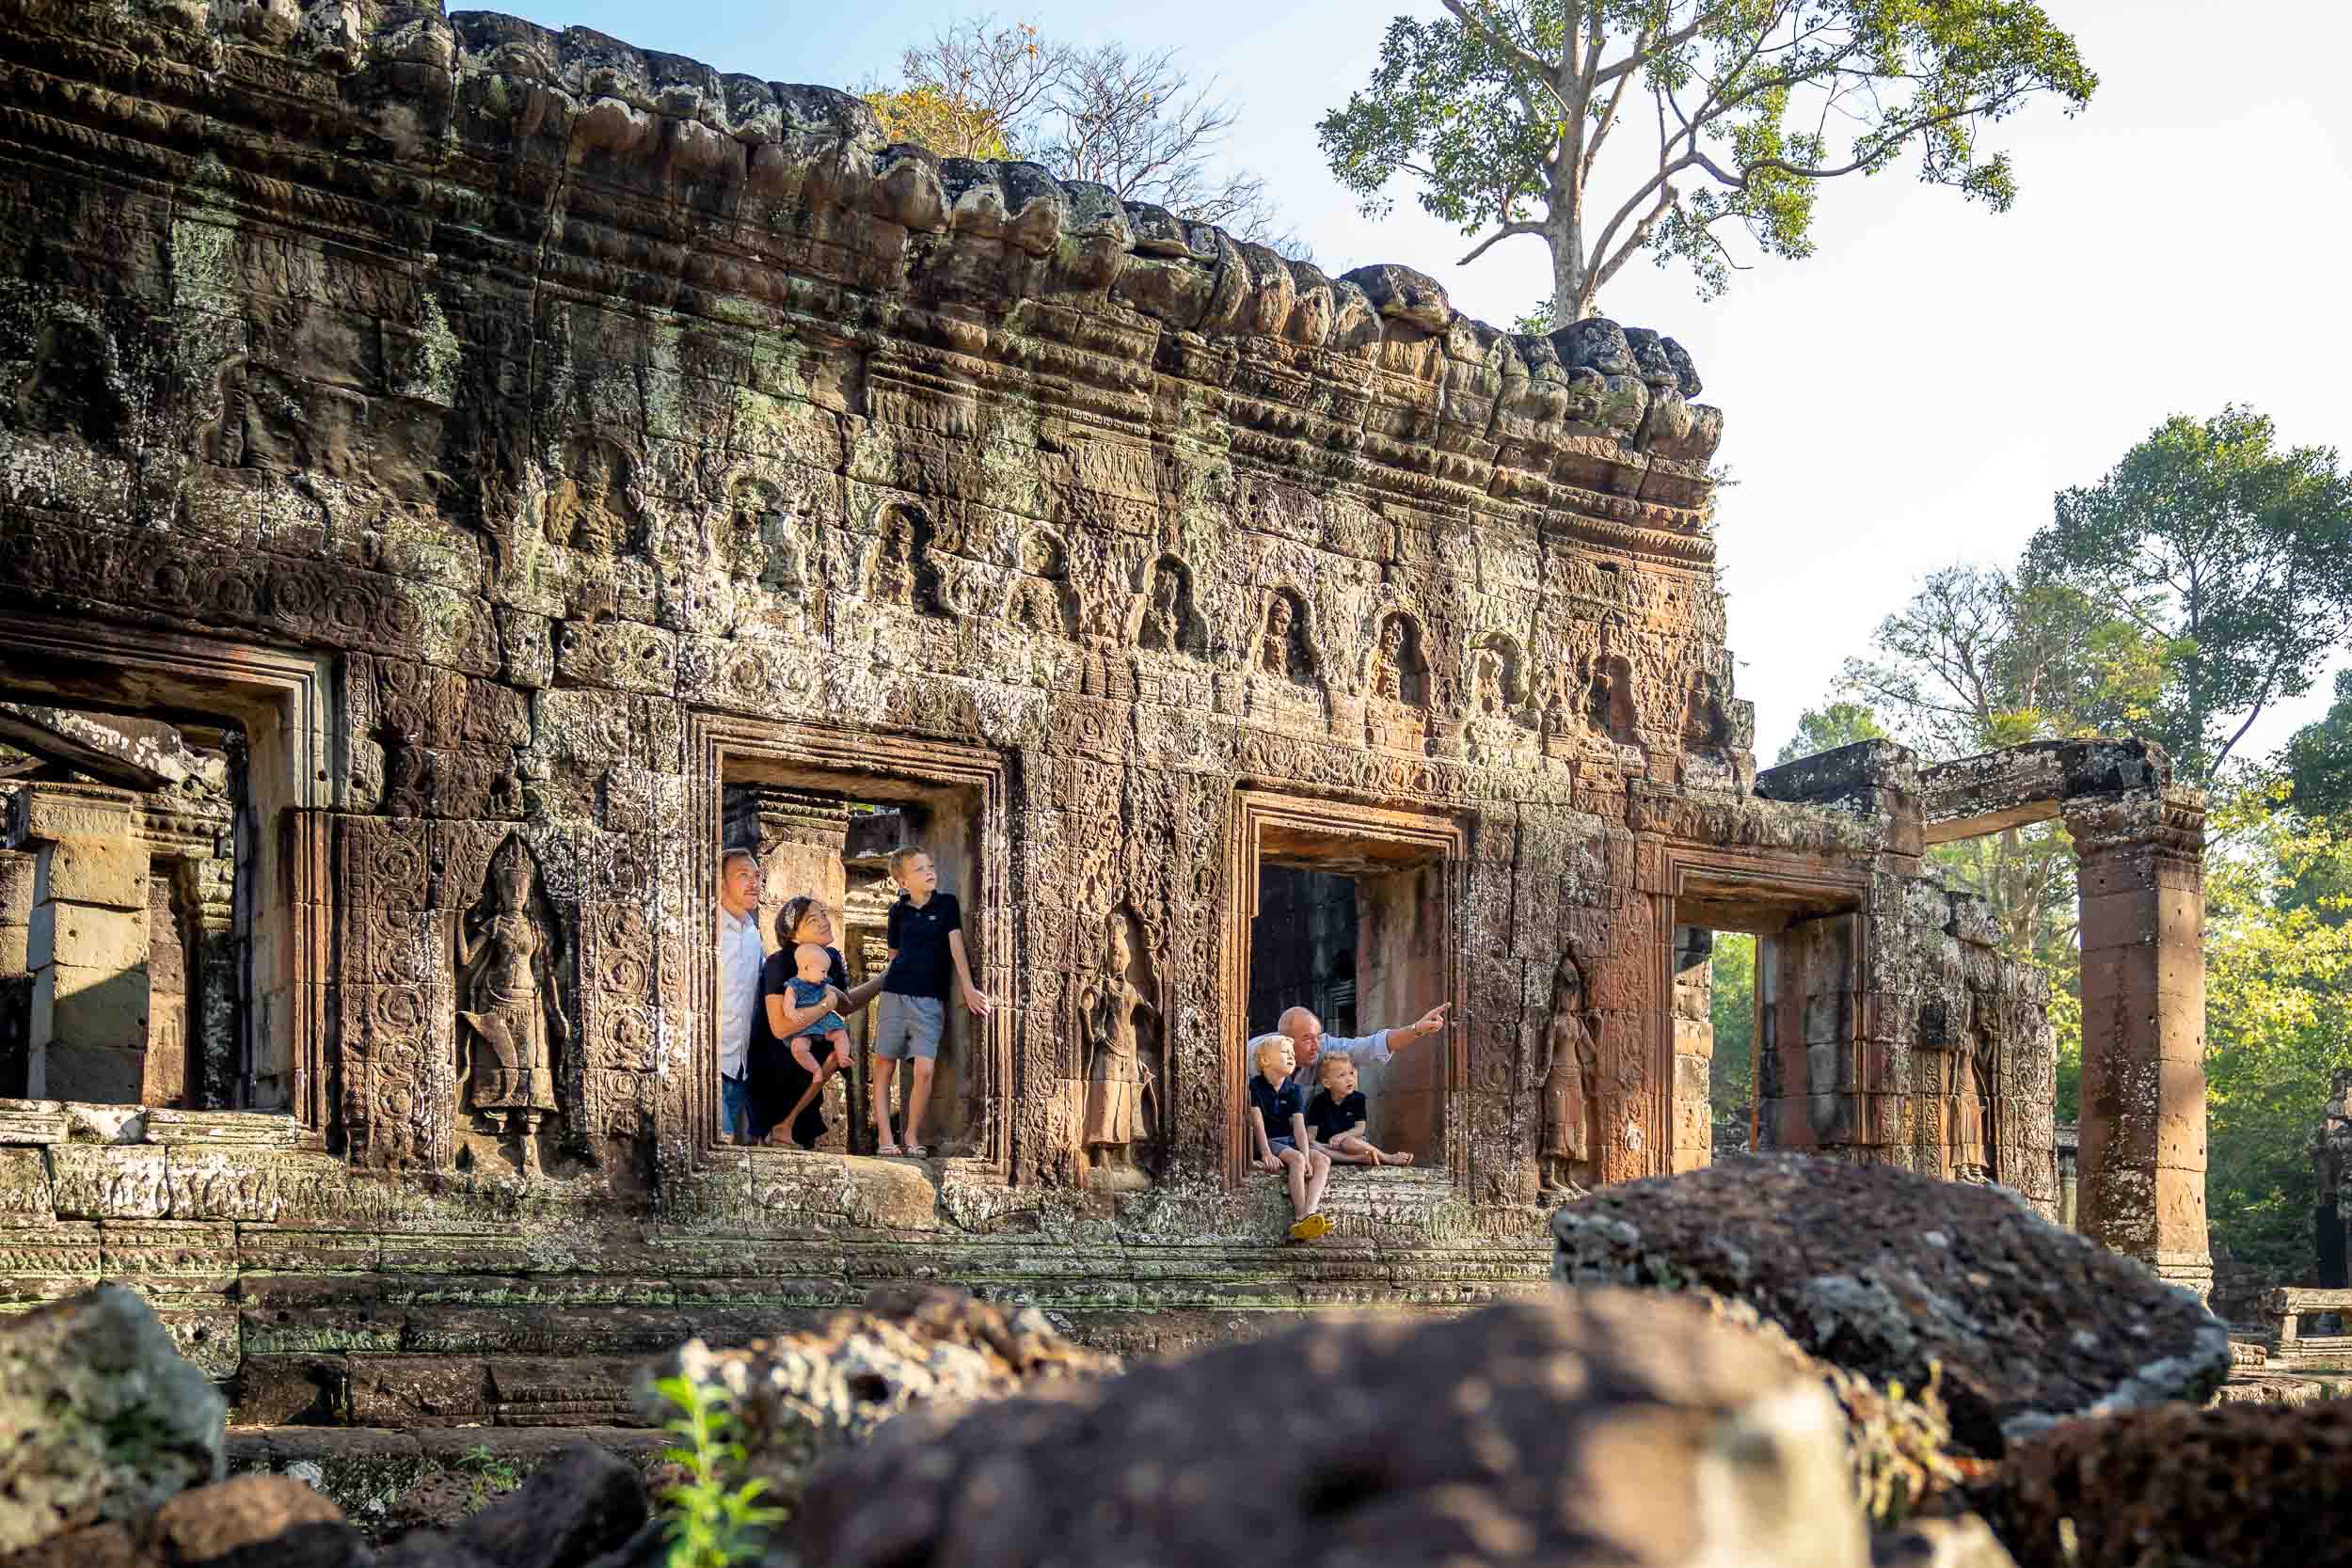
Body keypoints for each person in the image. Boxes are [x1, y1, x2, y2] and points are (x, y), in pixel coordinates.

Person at [870, 847, 993, 1158]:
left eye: (930, 865)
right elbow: (893, 958)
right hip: (895, 995)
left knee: (924, 1069)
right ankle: (886, 1138)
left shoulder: (946, 904)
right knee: (884, 1065)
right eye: (919, 869)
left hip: (930, 1000)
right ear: (902, 880)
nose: (929, 871)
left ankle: (911, 1134)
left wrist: (968, 987)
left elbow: (956, 947)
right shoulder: (897, 912)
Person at [751, 895, 882, 1149]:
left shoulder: (830, 957)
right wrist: (826, 1004)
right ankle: (782, 1126)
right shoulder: (780, 963)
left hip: (813, 1064)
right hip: (779, 1066)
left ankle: (788, 1125)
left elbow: (845, 1004)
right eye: (813, 919)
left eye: (823, 913)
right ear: (794, 934)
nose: (824, 921)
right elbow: (780, 1028)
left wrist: (884, 979)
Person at [1278, 1002, 1450, 1121]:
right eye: (1307, 1039)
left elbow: (1374, 1045)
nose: (1316, 1045)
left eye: (1317, 1037)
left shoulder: (1323, 1047)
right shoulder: (1257, 1057)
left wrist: (1417, 1029)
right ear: (1286, 1040)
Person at [767, 942, 857, 1145]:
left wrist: (844, 1000)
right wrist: (792, 1013)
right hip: (805, 1025)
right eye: (823, 971)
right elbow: (788, 1004)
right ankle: (815, 1070)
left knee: (840, 1034)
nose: (825, 975)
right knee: (799, 1047)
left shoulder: (823, 984)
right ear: (806, 968)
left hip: (824, 1023)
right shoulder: (794, 985)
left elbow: (840, 996)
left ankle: (843, 1056)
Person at [1247, 1032, 1331, 1242]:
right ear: (1265, 1060)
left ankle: (1310, 1212)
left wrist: (1306, 1155)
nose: (1292, 1056)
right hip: (1268, 1141)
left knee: (1322, 1159)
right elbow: (1257, 1123)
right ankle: (1300, 1216)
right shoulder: (1254, 1086)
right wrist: (1266, 1153)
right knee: (1297, 1160)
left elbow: (1300, 1128)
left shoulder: (1294, 1090)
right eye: (1285, 1052)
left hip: (1289, 1141)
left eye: (1293, 1053)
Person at [715, 849, 764, 1145]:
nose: (753, 883)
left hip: (742, 1064)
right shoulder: (710, 930)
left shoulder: (753, 933)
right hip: (712, 1062)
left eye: (756, 875)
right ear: (721, 884)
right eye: (742, 875)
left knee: (728, 1148)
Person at [1304, 1050, 1410, 1167]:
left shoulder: (1358, 1099)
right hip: (1328, 1147)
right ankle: (1358, 1159)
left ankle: (1386, 1157)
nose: (1349, 1079)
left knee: (1348, 1142)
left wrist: (1342, 1136)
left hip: (1352, 1144)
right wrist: (1317, 1143)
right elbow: (1311, 1134)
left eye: (1351, 1073)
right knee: (1312, 1147)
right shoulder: (1319, 1101)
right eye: (1342, 1075)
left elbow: (1360, 1128)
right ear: (1327, 1083)